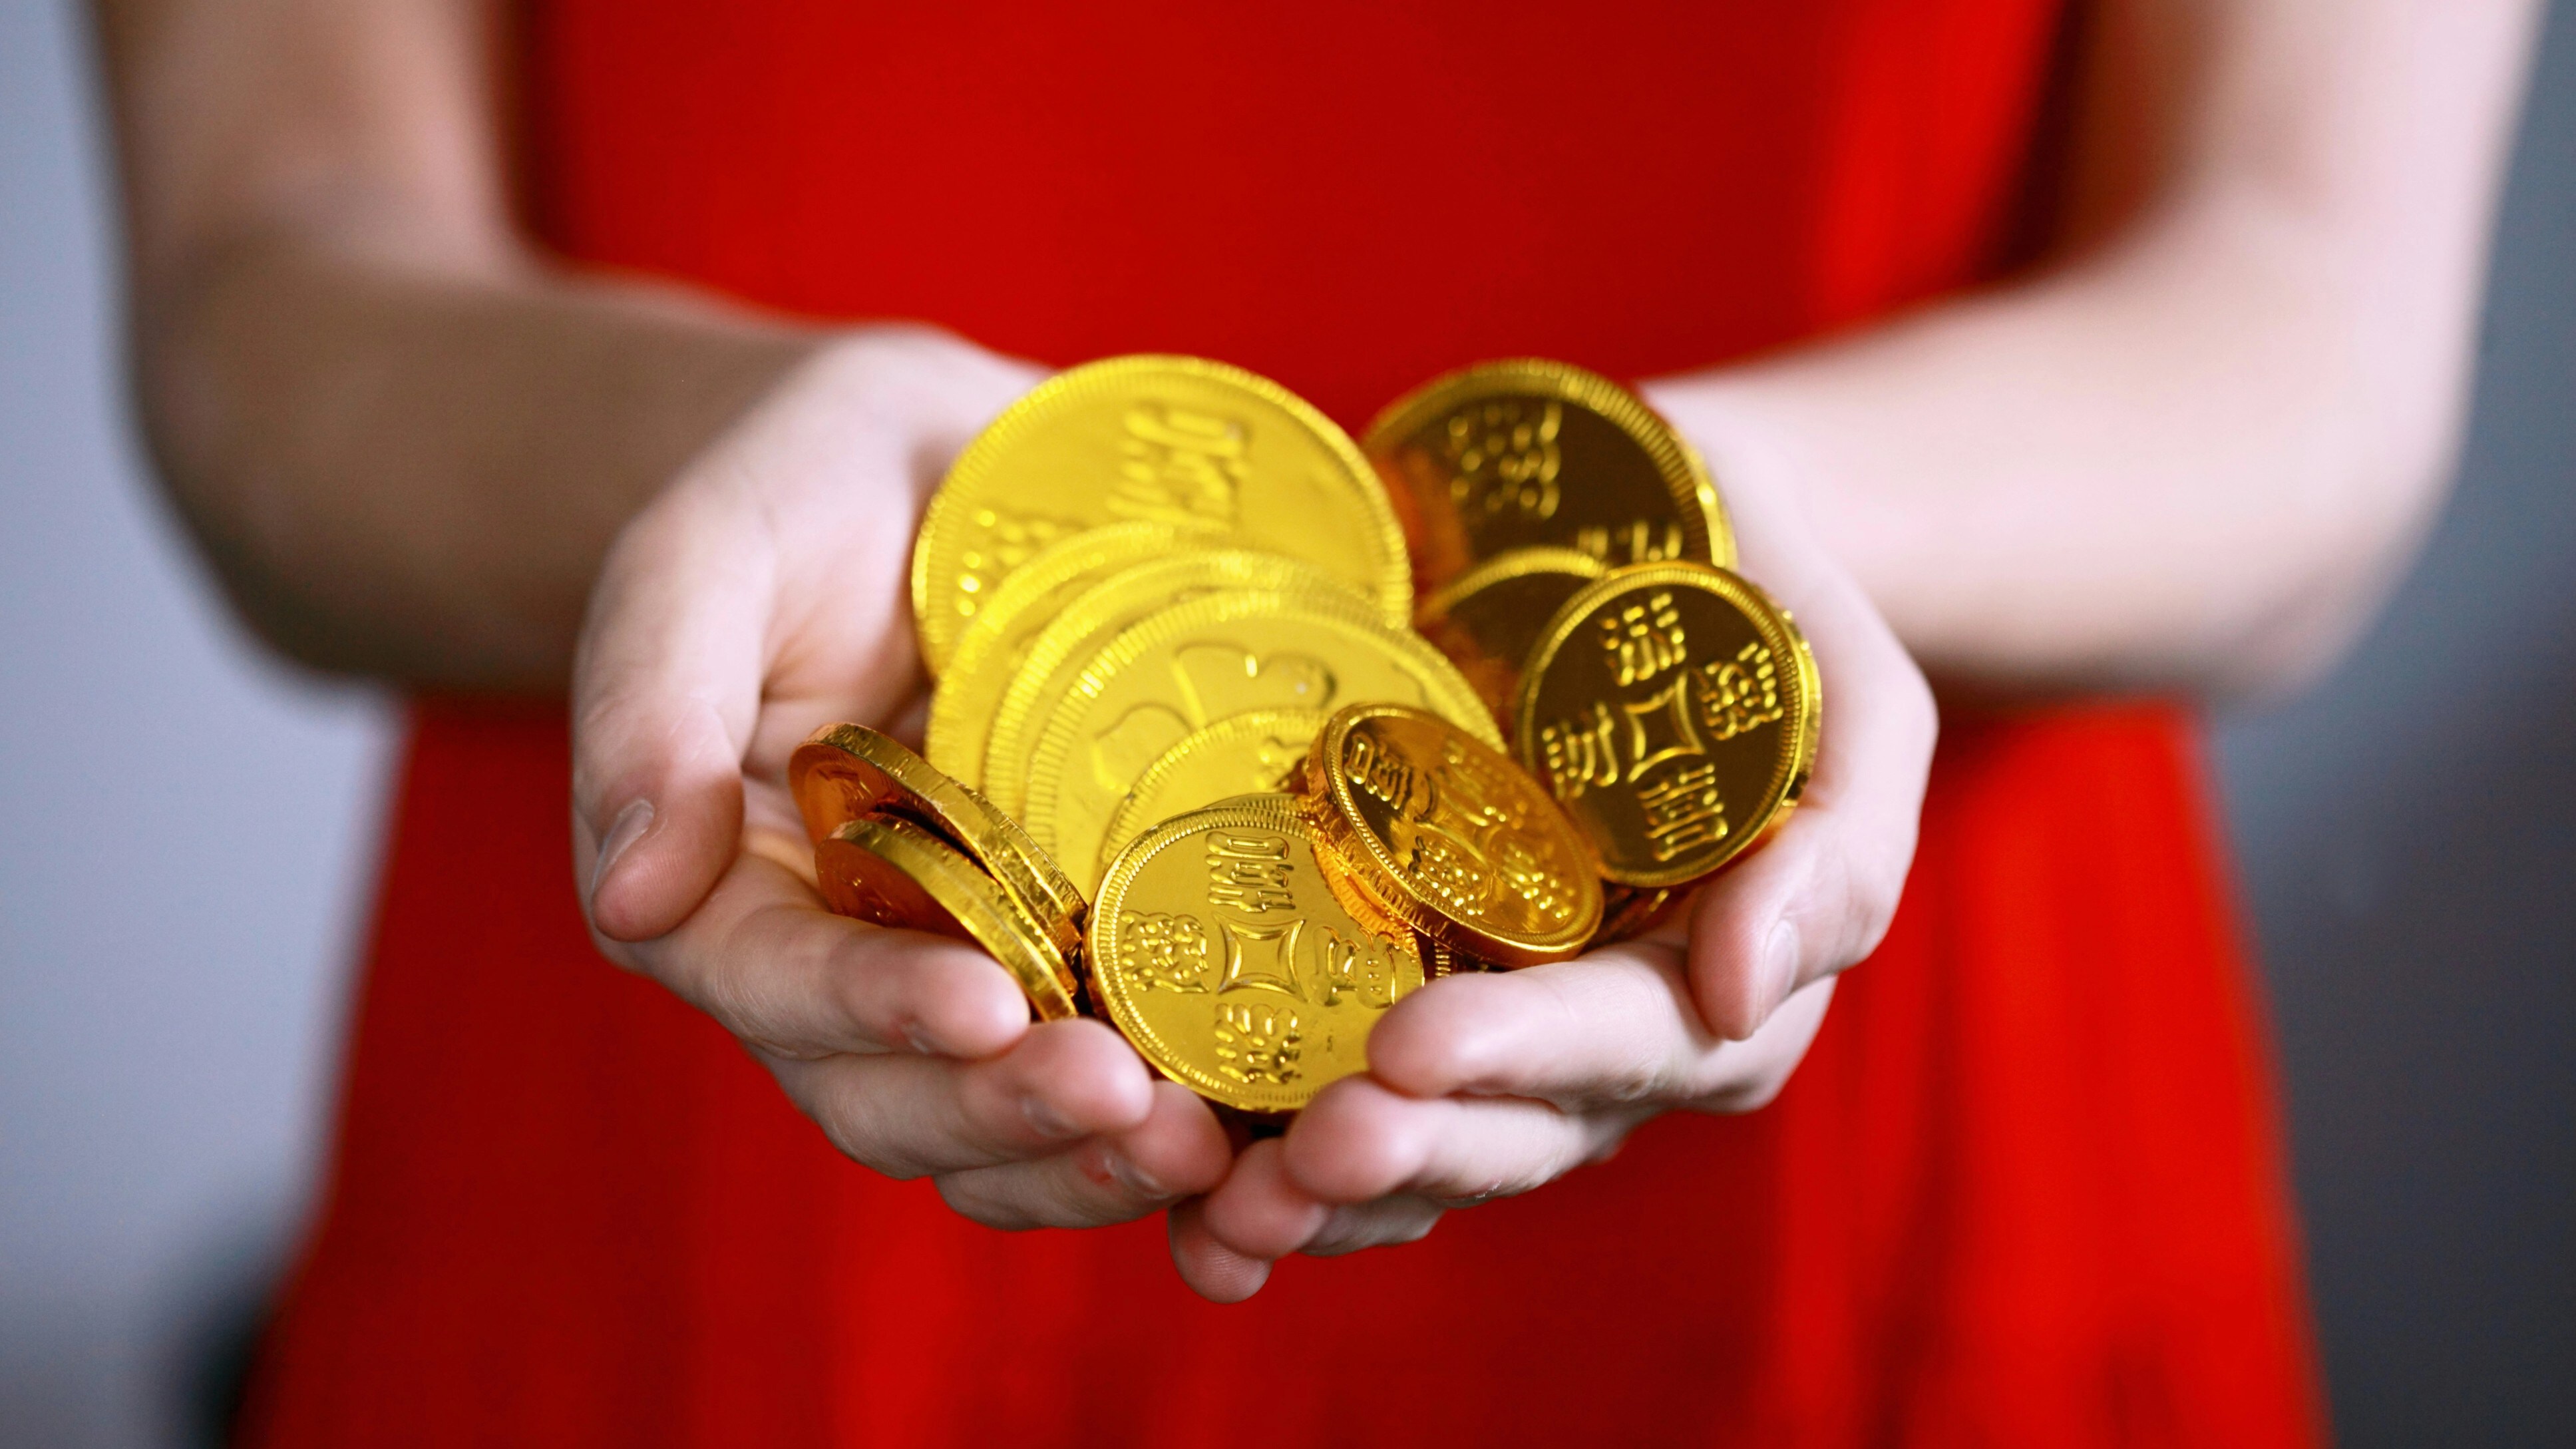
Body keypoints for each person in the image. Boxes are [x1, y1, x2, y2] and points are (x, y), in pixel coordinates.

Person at [91, 0, 2538, 1444]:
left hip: (1882, 1180)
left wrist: (1713, 532)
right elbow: (266, 291)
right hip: (720, 1079)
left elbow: (2311, 326)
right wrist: (734, 452)